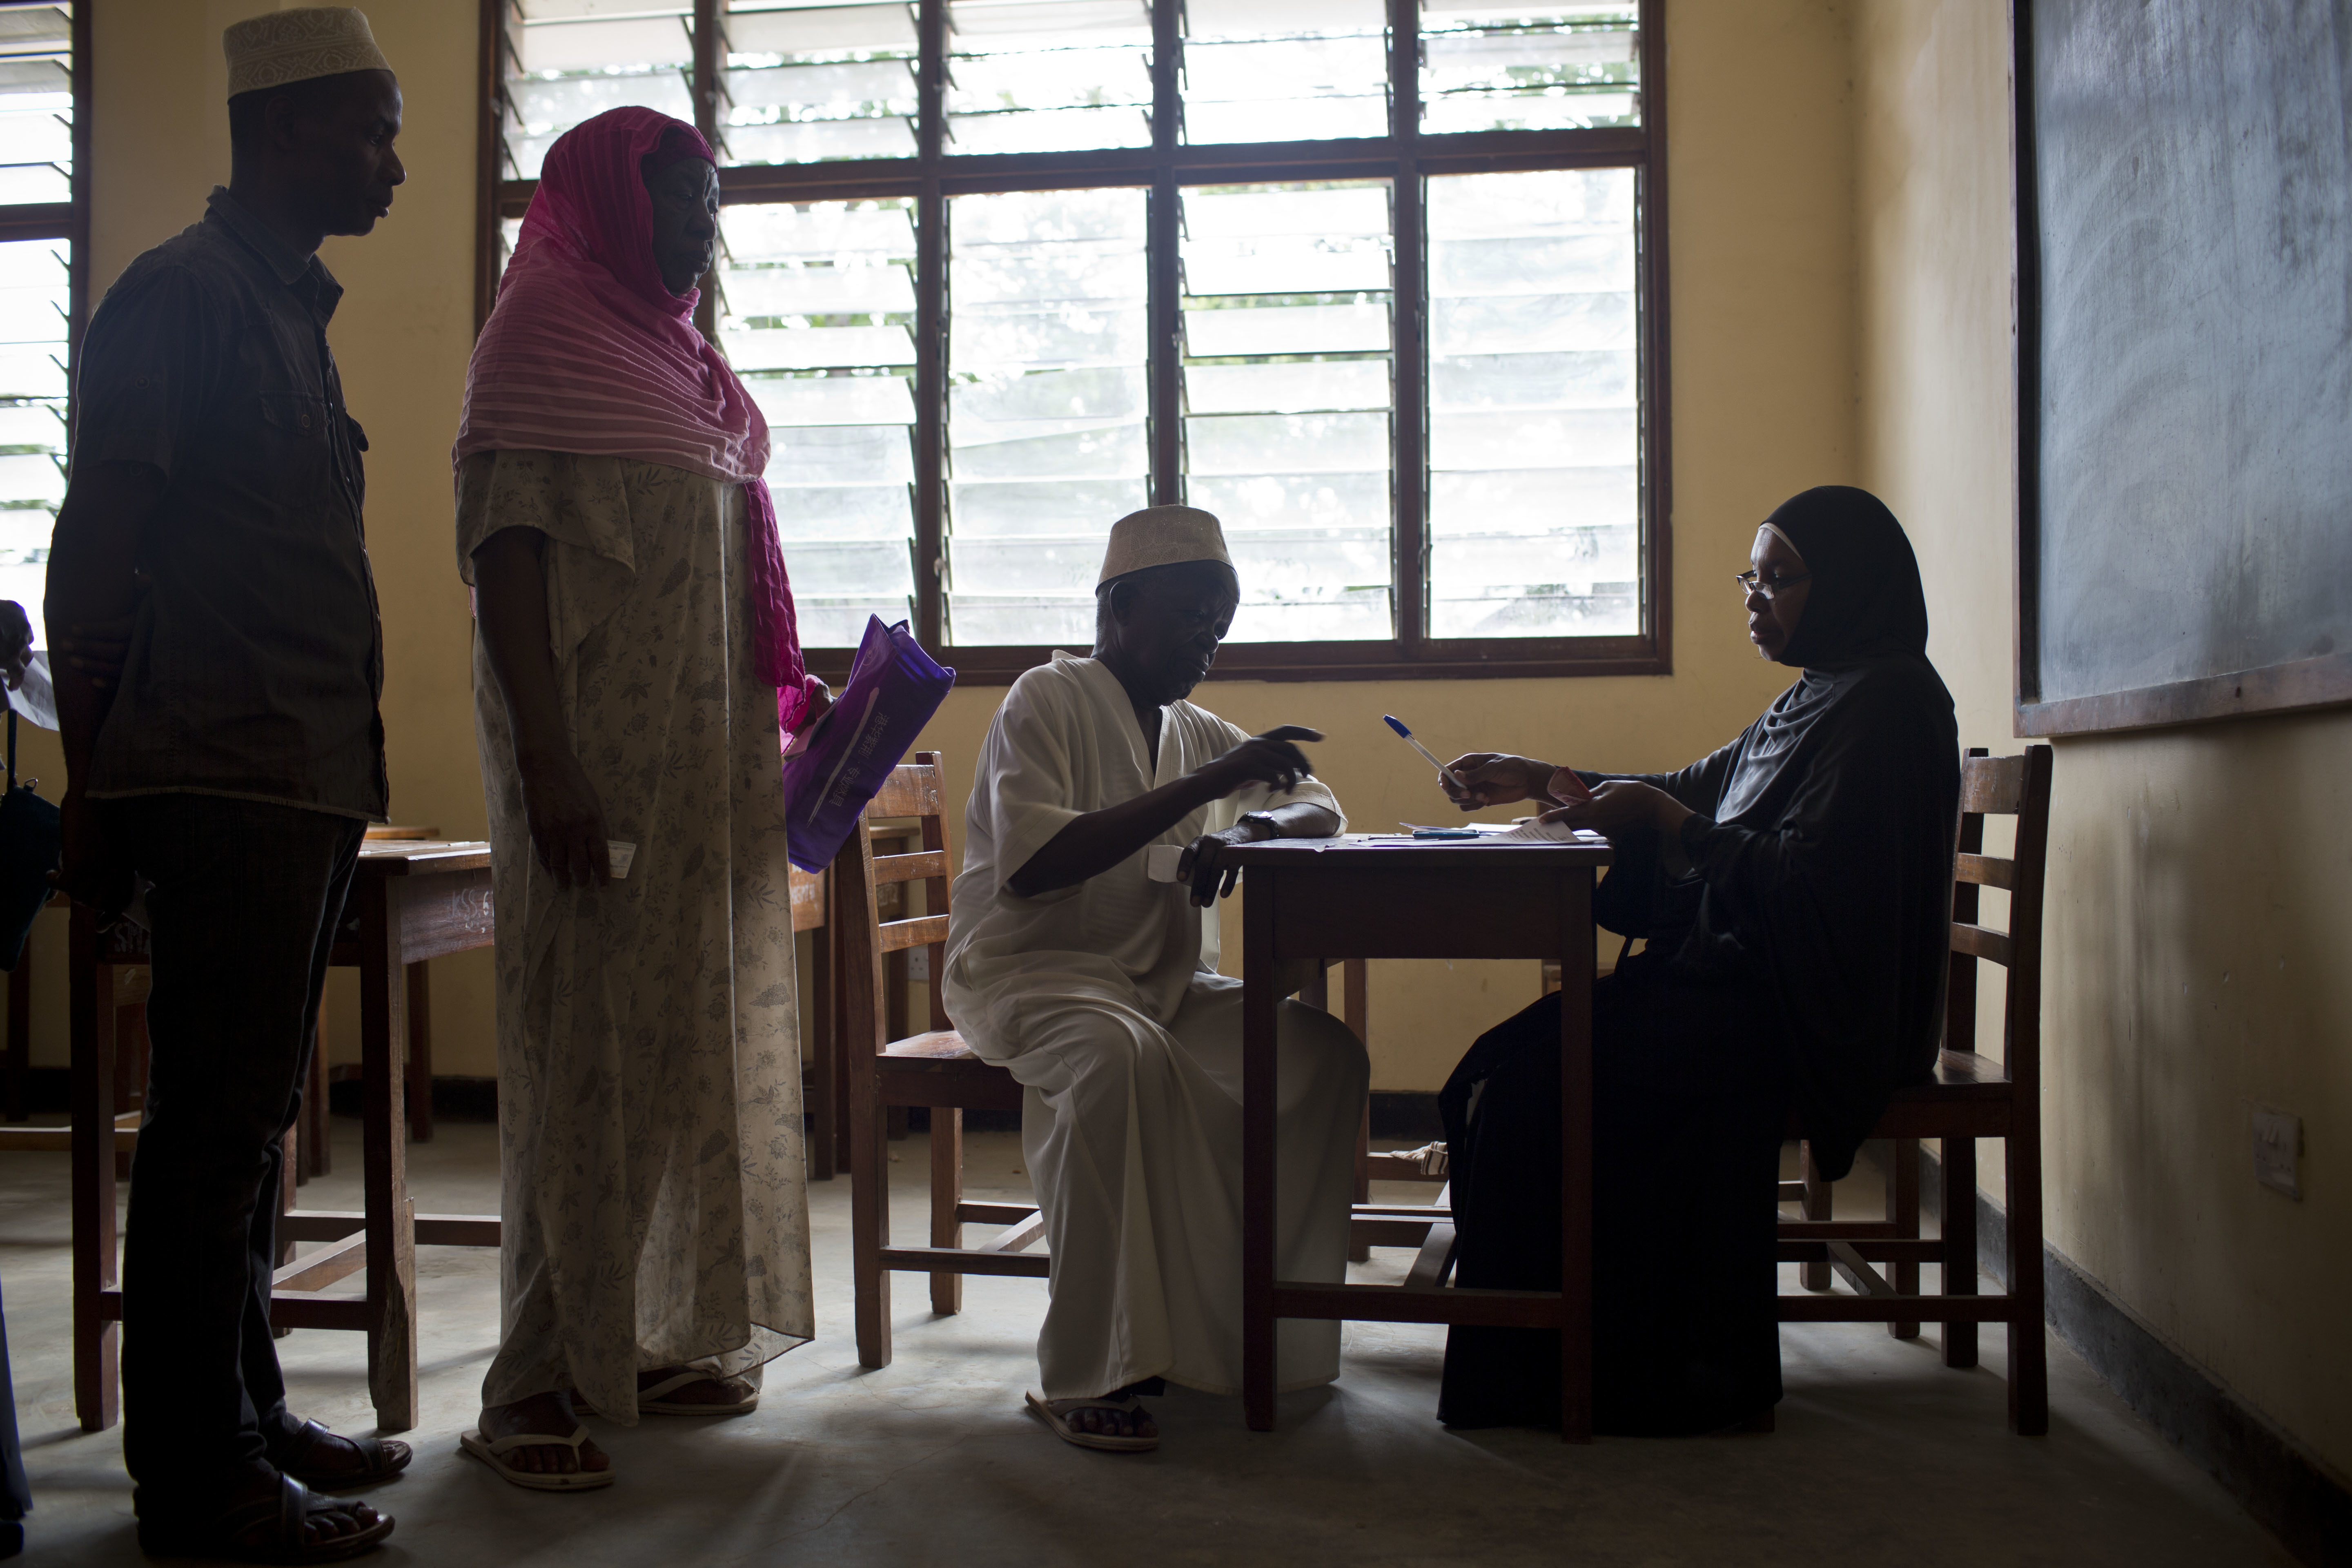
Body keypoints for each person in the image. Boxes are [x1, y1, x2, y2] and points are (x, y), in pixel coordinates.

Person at [43, 9, 408, 1559]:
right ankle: (198, 1484)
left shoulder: (287, 310)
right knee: (211, 1133)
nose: (393, 162)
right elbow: (95, 549)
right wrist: (102, 774)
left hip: (302, 771)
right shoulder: (179, 298)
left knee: (250, 1126)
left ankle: (247, 1419)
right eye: (370, 130)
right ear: (284, 130)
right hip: (222, 770)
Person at [454, 106, 826, 1490]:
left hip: (698, 768)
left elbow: (708, 562)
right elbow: (507, 561)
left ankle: (639, 1336)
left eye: (715, 208)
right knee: (582, 1064)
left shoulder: (673, 358)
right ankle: (531, 1384)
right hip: (593, 769)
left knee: (674, 1052)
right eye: (682, 205)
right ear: (611, 202)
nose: (703, 233)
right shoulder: (541, 335)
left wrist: (783, 698)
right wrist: (549, 761)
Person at [1431, 485, 1961, 1434]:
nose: (1755, 599)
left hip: (1811, 1011)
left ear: (1848, 585)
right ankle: (1558, 1350)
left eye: (1779, 578)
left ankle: (1613, 1368)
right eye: (1750, 579)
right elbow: (1680, 791)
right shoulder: (1815, 696)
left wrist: (1664, 822)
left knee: (1533, 1087)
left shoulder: (1888, 708)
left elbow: (1818, 893)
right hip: (1741, 989)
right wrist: (1545, 776)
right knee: (1503, 1066)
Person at [941, 506, 1370, 1453]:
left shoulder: (1193, 727)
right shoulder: (1044, 700)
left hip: (1157, 988)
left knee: (1320, 1058)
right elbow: (1037, 865)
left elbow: (1318, 800)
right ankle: (1093, 1369)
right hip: (1030, 977)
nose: (1207, 644)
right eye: (1190, 617)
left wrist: (1251, 825)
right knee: (1115, 1058)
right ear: (1121, 606)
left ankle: (1242, 1327)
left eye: (1221, 626)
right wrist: (1203, 791)